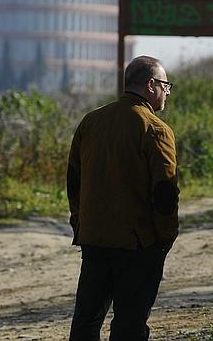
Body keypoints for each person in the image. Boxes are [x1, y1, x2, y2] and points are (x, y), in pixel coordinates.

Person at [67, 56, 179, 340]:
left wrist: (81, 221)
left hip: (94, 238)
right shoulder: (155, 129)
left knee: (86, 321)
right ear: (151, 84)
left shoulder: (91, 121)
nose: (167, 92)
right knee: (130, 324)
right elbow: (164, 191)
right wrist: (166, 236)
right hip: (137, 243)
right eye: (166, 85)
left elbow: (74, 180)